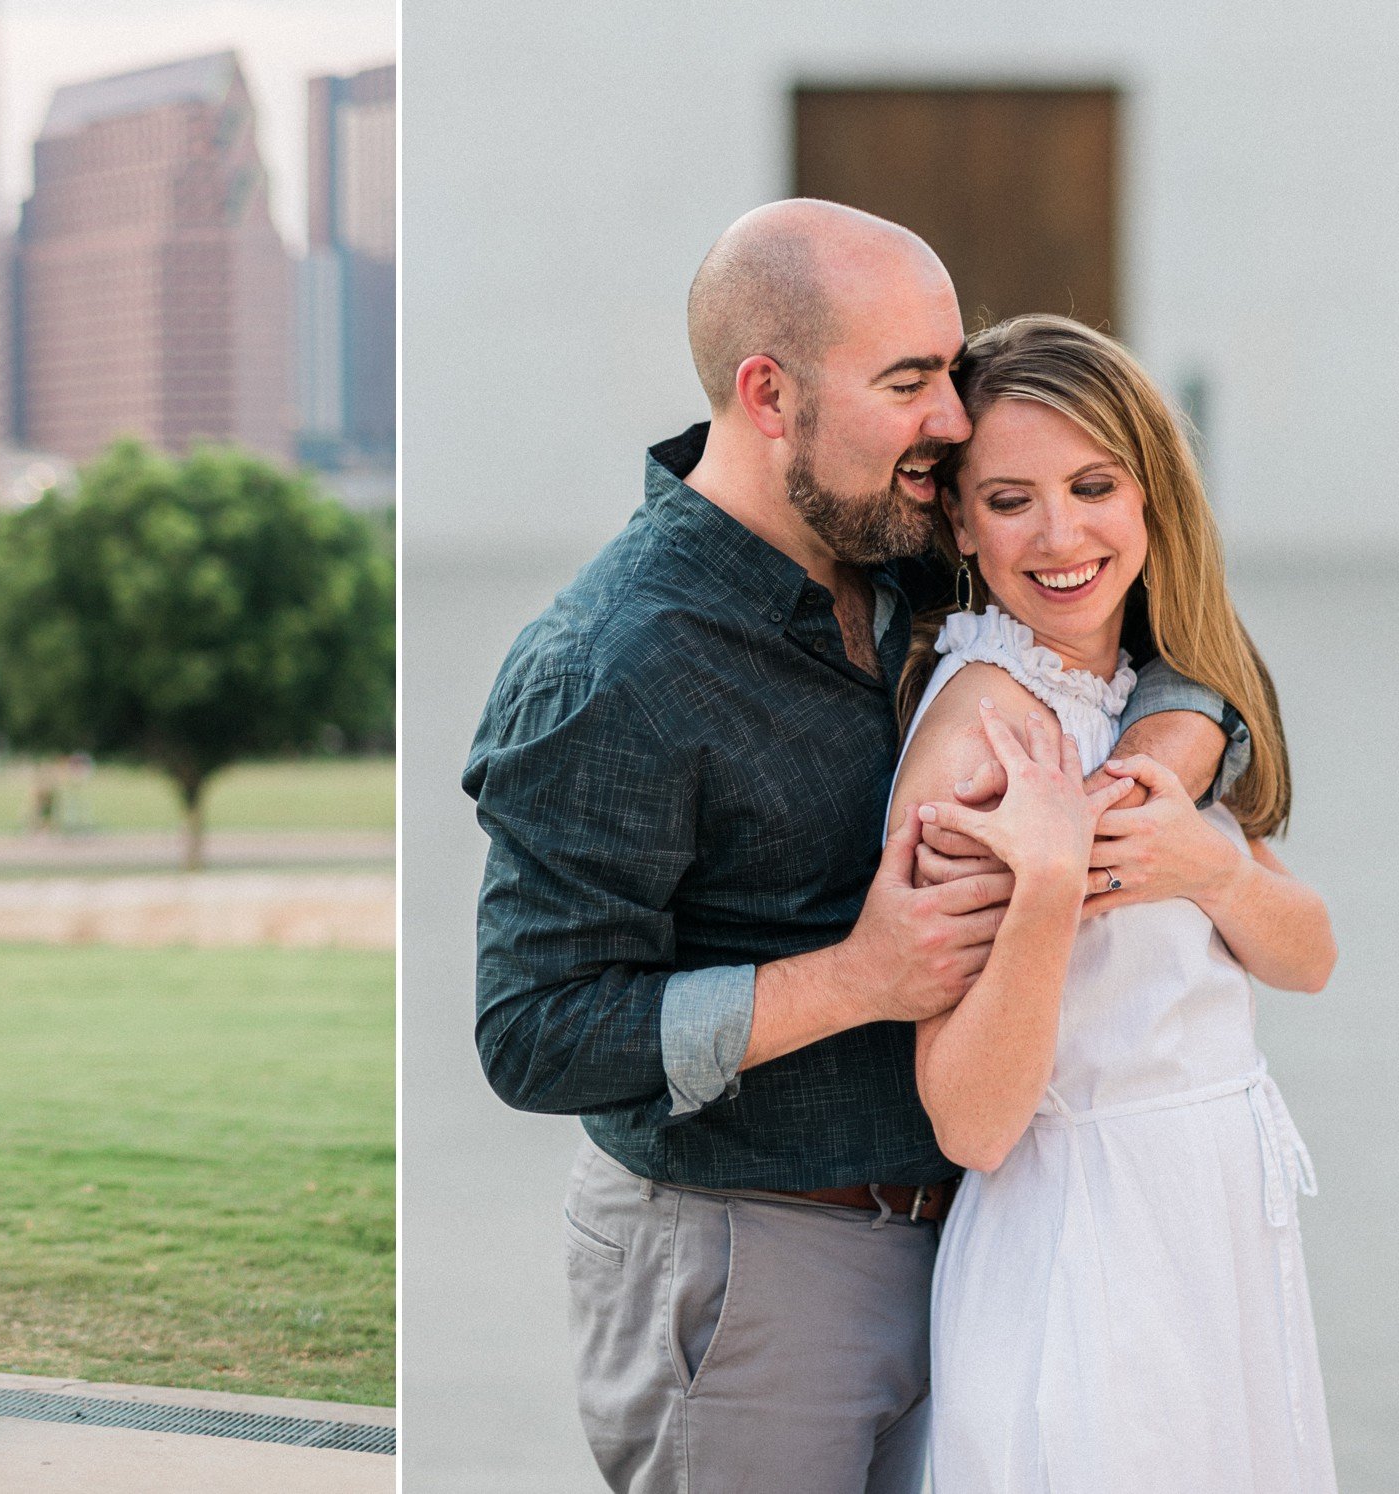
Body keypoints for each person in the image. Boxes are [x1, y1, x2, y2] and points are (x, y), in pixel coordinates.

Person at [462, 200, 1248, 1493]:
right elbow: (533, 1030)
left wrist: (1151, 765)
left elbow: (1170, 642)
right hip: (752, 1277)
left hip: (973, 1259)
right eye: (910, 380)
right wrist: (859, 976)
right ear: (771, 396)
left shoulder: (912, 559)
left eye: (950, 368)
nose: (953, 417)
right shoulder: (613, 665)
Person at [888, 314, 1335, 1491]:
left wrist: (1212, 868)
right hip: (1086, 1242)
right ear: (954, 521)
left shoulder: (1142, 695)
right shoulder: (983, 735)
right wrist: (1043, 887)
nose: (1060, 534)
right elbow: (972, 1124)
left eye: (1093, 485)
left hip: (1212, 1228)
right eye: (1008, 500)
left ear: (1149, 496)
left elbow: (1309, 955)